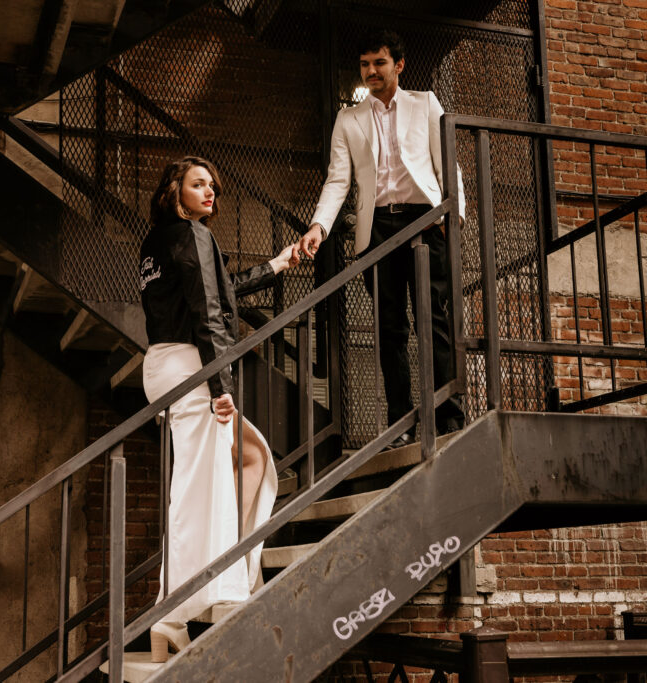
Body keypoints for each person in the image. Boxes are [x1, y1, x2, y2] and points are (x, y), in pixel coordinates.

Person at [138, 156, 302, 661]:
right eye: (197, 184)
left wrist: (276, 265)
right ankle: (178, 609)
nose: (210, 192)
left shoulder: (157, 242)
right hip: (192, 366)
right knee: (192, 487)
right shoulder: (193, 236)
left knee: (252, 460)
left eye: (212, 184)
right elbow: (209, 313)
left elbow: (218, 291)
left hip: (163, 364)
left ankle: (226, 578)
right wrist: (221, 384)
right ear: (174, 190)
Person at [298, 29, 466, 447]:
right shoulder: (348, 119)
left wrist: (452, 218)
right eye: (365, 65)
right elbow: (339, 180)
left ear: (398, 65)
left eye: (379, 63)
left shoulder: (425, 102)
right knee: (389, 329)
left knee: (436, 320)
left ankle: (448, 414)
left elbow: (449, 164)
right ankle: (400, 421)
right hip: (378, 230)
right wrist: (318, 226)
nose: (371, 71)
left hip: (425, 221)